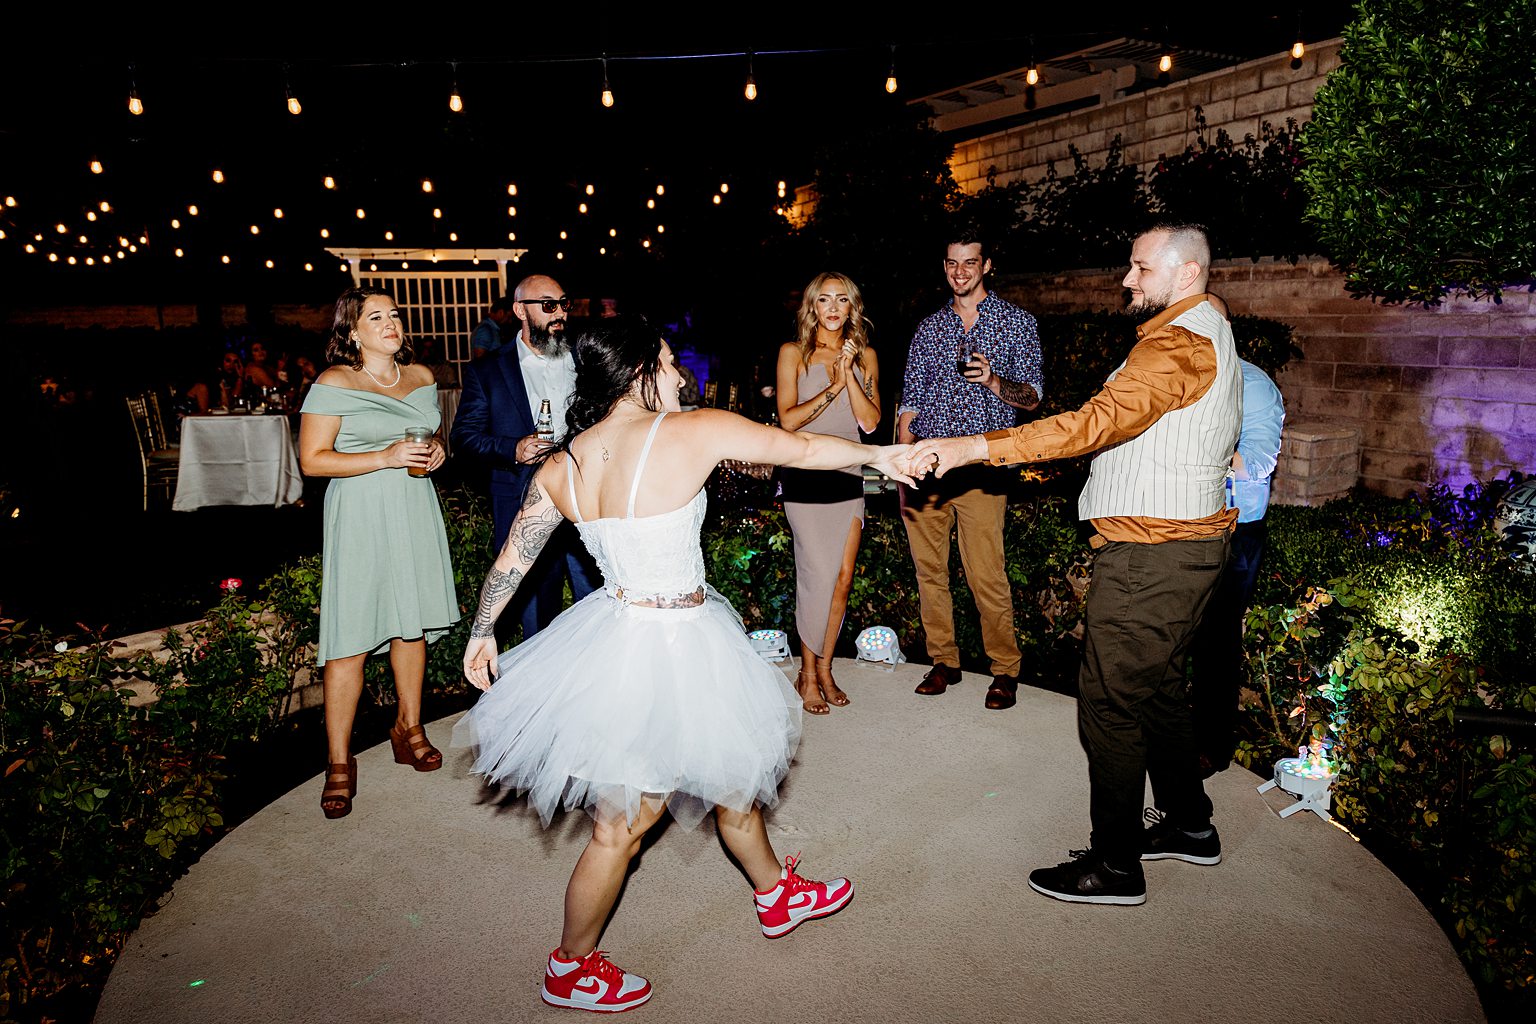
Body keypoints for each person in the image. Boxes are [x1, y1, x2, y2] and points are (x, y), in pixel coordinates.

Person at [455, 315, 916, 1013]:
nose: (679, 376)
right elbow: (799, 447)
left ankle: (774, 894)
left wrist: (483, 630)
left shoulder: (564, 463)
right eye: (669, 364)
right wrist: (882, 459)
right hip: (670, 646)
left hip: (619, 634)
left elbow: (514, 557)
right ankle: (569, 967)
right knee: (624, 825)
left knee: (730, 766)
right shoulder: (689, 429)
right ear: (639, 370)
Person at [914, 222, 1242, 906]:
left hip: (1156, 555)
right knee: (1153, 692)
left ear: (1185, 274)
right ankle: (1189, 824)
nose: (1128, 279)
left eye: (1140, 268)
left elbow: (1088, 424)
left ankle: (1116, 867)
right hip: (1179, 549)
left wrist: (975, 447)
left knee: (1109, 702)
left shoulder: (1179, 344)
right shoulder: (1195, 331)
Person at [298, 287, 461, 819]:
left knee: (408, 625)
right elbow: (313, 461)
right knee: (348, 638)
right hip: (360, 515)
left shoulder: (421, 379)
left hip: (414, 507)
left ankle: (408, 727)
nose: (391, 322)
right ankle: (338, 761)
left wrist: (436, 453)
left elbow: (432, 443)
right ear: (352, 331)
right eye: (377, 316)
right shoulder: (334, 383)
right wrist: (383, 456)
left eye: (394, 314)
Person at [898, 230, 1043, 710]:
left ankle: (1004, 670)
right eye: (952, 263)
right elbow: (911, 405)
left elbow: (1034, 398)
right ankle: (944, 661)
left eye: (970, 263)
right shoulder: (928, 329)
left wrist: (995, 381)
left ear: (987, 266)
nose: (960, 272)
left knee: (986, 574)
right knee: (930, 572)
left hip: (983, 466)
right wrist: (903, 462)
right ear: (944, 267)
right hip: (928, 471)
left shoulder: (1016, 324)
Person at [452, 274, 600, 643]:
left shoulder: (586, 360)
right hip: (523, 499)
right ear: (520, 310)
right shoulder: (488, 371)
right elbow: (464, 436)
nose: (559, 314)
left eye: (564, 304)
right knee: (537, 619)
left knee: (602, 605)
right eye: (548, 306)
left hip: (588, 500)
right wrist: (512, 448)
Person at [1187, 296, 1285, 777]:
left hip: (1234, 529)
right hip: (1180, 520)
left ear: (1224, 327)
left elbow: (1259, 462)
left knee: (1216, 638)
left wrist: (1195, 451)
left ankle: (1212, 744)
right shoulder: (1177, 375)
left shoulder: (1254, 384)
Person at [775, 272, 881, 713]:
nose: (833, 308)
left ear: (852, 307)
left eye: (841, 300)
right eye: (824, 300)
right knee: (815, 575)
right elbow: (788, 420)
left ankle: (825, 668)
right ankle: (805, 670)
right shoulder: (793, 354)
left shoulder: (867, 356)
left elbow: (871, 423)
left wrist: (851, 375)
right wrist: (833, 386)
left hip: (848, 476)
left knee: (840, 581)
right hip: (804, 477)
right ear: (812, 308)